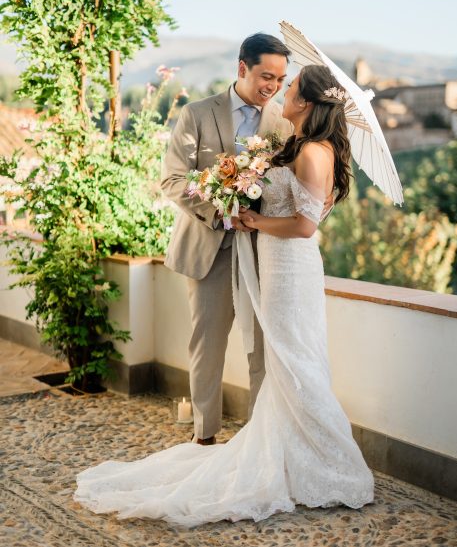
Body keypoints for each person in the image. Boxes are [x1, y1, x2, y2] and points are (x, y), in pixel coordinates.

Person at [74, 63, 374, 526]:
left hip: (289, 268)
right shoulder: (295, 141)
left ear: (308, 103)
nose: (281, 91)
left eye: (290, 86)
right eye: (275, 80)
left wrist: (252, 221)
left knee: (294, 362)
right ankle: (281, 450)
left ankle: (326, 464)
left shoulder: (313, 151)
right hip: (270, 264)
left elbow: (305, 224)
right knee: (280, 359)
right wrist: (234, 195)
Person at [160, 33, 293, 444]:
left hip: (261, 251)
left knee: (261, 351)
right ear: (242, 68)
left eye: (281, 79)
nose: (272, 86)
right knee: (208, 344)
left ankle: (258, 441)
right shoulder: (197, 113)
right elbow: (172, 179)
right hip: (207, 247)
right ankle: (205, 436)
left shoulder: (284, 124)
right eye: (265, 76)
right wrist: (219, 210)